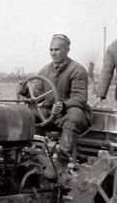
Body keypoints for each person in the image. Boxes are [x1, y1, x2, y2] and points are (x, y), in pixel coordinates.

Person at [17, 34, 92, 175]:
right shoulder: (46, 70)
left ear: (67, 50)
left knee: (75, 115)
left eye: (57, 49)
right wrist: (26, 92)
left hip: (68, 114)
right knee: (25, 113)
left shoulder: (77, 70)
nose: (53, 53)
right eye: (51, 50)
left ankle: (62, 160)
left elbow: (80, 97)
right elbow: (37, 95)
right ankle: (21, 153)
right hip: (48, 113)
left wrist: (63, 106)